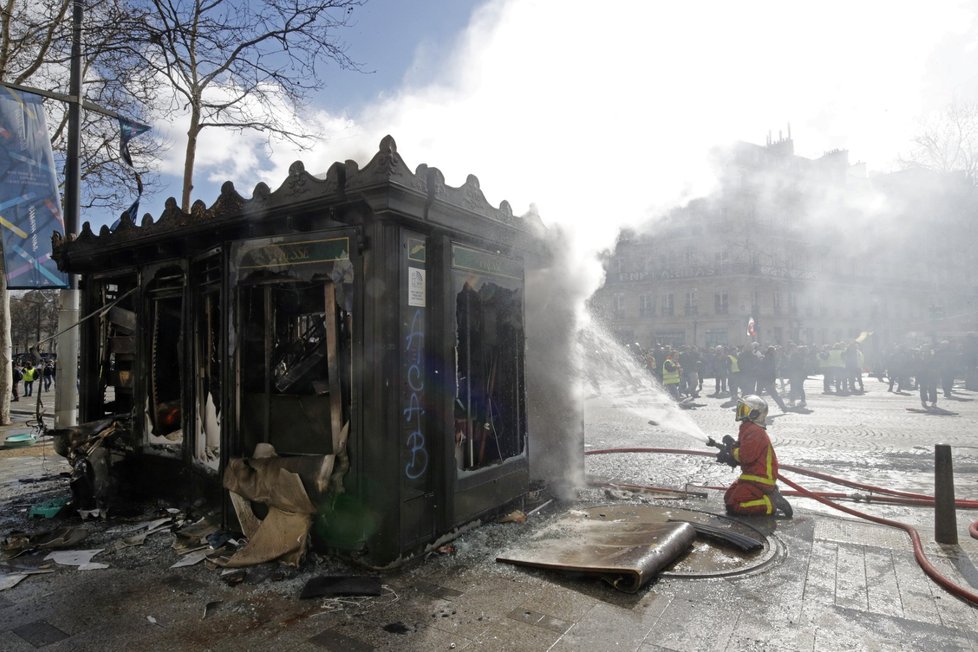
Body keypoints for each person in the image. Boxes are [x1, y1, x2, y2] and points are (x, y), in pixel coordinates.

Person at [715, 395, 792, 517]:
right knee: (728, 497)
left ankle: (770, 504)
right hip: (751, 475)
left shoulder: (755, 431)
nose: (740, 412)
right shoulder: (748, 429)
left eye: (744, 409)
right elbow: (743, 453)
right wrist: (729, 455)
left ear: (754, 414)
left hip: (760, 478)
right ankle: (766, 496)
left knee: (734, 505)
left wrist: (732, 450)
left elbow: (745, 456)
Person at [756, 346, 788, 412]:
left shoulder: (764, 357)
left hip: (761, 379)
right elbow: (772, 371)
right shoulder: (771, 358)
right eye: (774, 351)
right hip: (767, 380)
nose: (775, 352)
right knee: (774, 394)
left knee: (758, 395)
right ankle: (783, 407)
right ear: (771, 351)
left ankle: (754, 409)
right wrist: (773, 381)